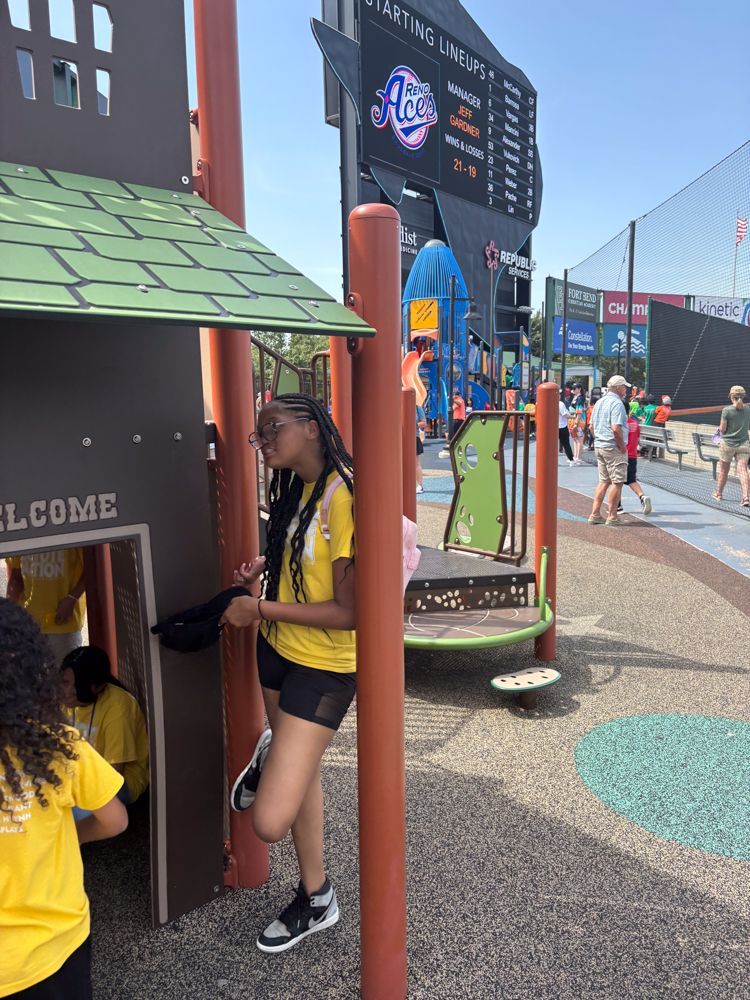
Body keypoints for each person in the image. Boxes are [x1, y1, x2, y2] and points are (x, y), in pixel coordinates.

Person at [222, 393, 356, 954]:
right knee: (302, 780)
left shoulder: (346, 495)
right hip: (277, 651)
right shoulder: (293, 488)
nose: (263, 441)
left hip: (324, 667)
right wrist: (267, 568)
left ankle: (276, 751)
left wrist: (260, 608)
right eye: (259, 434)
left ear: (311, 426)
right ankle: (316, 894)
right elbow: (306, 560)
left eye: (271, 428)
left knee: (268, 821)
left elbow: (350, 613)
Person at [0, 599, 127, 1000]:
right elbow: (114, 819)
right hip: (58, 945)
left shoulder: (113, 712)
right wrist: (69, 836)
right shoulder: (59, 745)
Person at [61, 646, 149, 811]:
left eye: (73, 685)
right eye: (64, 682)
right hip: (77, 772)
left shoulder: (118, 707)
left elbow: (113, 775)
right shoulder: (68, 700)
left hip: (120, 782)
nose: (64, 691)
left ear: (96, 688)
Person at [5, 548, 86, 665]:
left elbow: (91, 569)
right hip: (29, 624)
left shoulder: (73, 530)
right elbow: (16, 577)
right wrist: (10, 620)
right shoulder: (19, 531)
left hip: (63, 623)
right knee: (32, 678)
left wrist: (72, 599)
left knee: (64, 678)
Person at [588, 375, 630, 526]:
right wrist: (622, 447)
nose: (625, 390)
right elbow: (616, 428)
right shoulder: (617, 403)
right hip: (613, 447)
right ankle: (612, 516)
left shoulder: (599, 402)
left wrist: (598, 439)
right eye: (624, 387)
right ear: (618, 388)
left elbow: (591, 426)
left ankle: (595, 514)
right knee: (617, 482)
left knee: (603, 481)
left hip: (600, 445)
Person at [712, 385, 750, 506]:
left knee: (724, 471)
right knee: (743, 470)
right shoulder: (748, 410)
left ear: (731, 396)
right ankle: (745, 497)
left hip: (728, 444)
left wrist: (718, 429)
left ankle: (718, 493)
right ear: (743, 396)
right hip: (744, 444)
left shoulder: (727, 410)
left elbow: (722, 429)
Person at [617, 413, 653, 514]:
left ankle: (618, 505)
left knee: (617, 481)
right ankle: (642, 496)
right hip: (632, 455)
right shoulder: (635, 424)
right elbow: (637, 438)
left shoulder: (621, 424)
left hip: (622, 454)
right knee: (631, 480)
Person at [558, 397, 574, 465]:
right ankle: (571, 459)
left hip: (553, 427)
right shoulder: (560, 404)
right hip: (562, 426)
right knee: (566, 444)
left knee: (552, 445)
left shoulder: (550, 403)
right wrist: (574, 417)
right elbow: (565, 415)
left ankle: (551, 460)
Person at [416, 403, 426, 494]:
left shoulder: (417, 408)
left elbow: (423, 422)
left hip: (414, 437)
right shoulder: (397, 406)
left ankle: (419, 485)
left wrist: (414, 424)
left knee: (416, 463)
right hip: (401, 437)